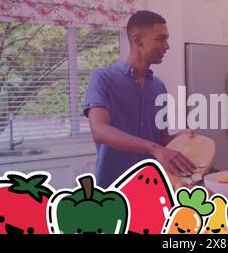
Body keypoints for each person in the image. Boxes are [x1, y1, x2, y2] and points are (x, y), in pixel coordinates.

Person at [84, 10, 196, 188]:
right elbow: (99, 130)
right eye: (160, 39)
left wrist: (179, 138)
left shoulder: (159, 87)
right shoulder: (102, 78)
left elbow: (160, 140)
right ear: (138, 40)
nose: (167, 46)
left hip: (151, 188)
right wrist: (155, 148)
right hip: (113, 189)